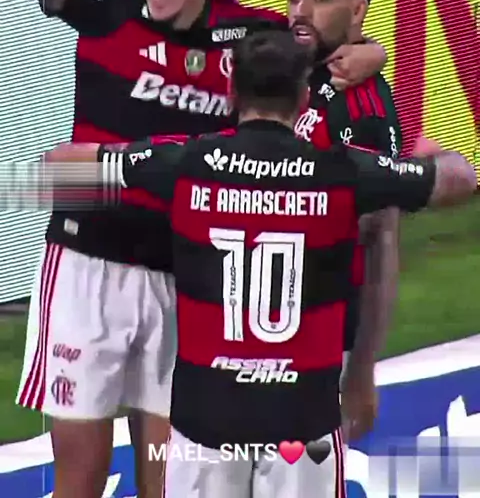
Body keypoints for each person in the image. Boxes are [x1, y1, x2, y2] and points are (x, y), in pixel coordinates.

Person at [0, 0, 387, 497]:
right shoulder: (107, 5)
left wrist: (371, 51)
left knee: (166, 479)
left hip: (184, 281)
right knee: (80, 478)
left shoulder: (250, 33)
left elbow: (327, 42)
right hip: (85, 268)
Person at [41, 30, 477, 498]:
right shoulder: (344, 173)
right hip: (302, 424)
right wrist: (424, 157)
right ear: (303, 97)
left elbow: (61, 167)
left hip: (205, 422)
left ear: (232, 92)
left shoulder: (186, 162)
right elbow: (460, 178)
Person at [288, 0, 403, 441]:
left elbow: (380, 240)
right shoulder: (290, 62)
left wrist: (361, 370)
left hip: (319, 337)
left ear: (357, 10)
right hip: (248, 330)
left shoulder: (364, 110)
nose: (300, 10)